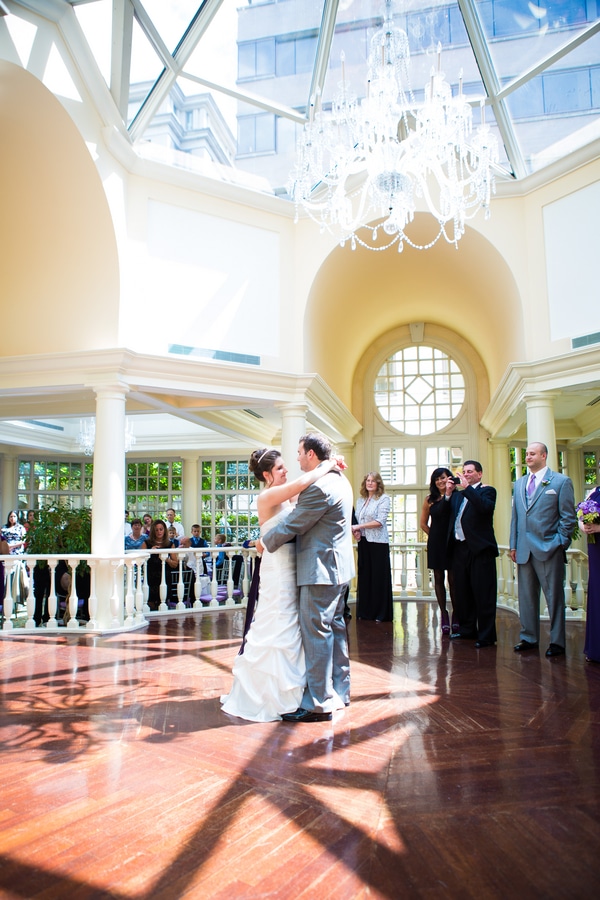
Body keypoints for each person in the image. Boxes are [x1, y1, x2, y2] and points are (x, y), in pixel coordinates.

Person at [221, 447, 340, 723]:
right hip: (277, 569)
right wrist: (328, 463)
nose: (286, 470)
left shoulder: (286, 496)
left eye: (286, 465)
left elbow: (305, 499)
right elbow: (303, 482)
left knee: (294, 622)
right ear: (266, 475)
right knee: (278, 619)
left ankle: (299, 692)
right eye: (279, 468)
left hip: (293, 566)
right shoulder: (267, 496)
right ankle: (273, 695)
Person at [261, 432, 355, 723]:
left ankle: (318, 703)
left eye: (300, 452)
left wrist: (263, 541)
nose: (298, 458)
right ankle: (340, 690)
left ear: (311, 454)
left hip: (320, 572)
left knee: (317, 633)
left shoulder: (320, 488)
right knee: (335, 629)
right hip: (339, 569)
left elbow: (294, 523)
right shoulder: (340, 479)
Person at [510, 442, 576, 658]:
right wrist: (513, 544)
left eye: (532, 454)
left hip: (549, 548)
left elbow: (568, 518)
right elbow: (516, 517)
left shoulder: (561, 482)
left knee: (554, 598)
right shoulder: (519, 483)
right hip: (524, 550)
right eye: (527, 454)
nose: (528, 457)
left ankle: (557, 642)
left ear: (544, 456)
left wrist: (559, 543)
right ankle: (529, 637)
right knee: (526, 597)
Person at [441, 460, 499, 648]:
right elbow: (443, 515)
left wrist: (467, 488)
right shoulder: (457, 496)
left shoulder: (487, 491)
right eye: (464, 472)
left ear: (479, 474)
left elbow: (485, 508)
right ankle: (467, 630)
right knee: (462, 592)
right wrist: (448, 494)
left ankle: (486, 635)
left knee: (483, 594)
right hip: (460, 549)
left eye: (470, 471)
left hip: (480, 550)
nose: (466, 474)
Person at [420, 468, 457, 635]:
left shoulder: (457, 496)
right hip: (436, 544)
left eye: (442, 478)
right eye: (437, 479)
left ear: (449, 478)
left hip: (454, 543)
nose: (440, 481)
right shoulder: (429, 499)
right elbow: (423, 524)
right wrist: (435, 536)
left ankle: (457, 613)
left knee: (454, 579)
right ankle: (444, 614)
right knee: (438, 578)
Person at [352, 472, 393, 622]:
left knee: (378, 578)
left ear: (378, 484)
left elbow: (380, 521)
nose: (369, 483)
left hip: (378, 543)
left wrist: (359, 526)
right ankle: (365, 612)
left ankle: (381, 613)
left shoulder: (383, 499)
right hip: (364, 542)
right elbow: (357, 519)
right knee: (365, 576)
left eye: (373, 481)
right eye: (368, 480)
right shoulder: (361, 500)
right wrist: (357, 532)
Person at [581, 486, 600, 663]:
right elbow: (580, 516)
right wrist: (585, 526)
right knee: (597, 594)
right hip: (596, 549)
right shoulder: (595, 491)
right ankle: (595, 649)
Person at [142, 519, 178, 611]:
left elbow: (175, 564)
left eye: (161, 529)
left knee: (163, 604)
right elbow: (140, 562)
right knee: (150, 605)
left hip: (164, 577)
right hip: (151, 578)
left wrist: (166, 559)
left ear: (164, 530)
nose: (159, 532)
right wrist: (150, 552)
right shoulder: (146, 543)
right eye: (156, 530)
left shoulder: (170, 544)